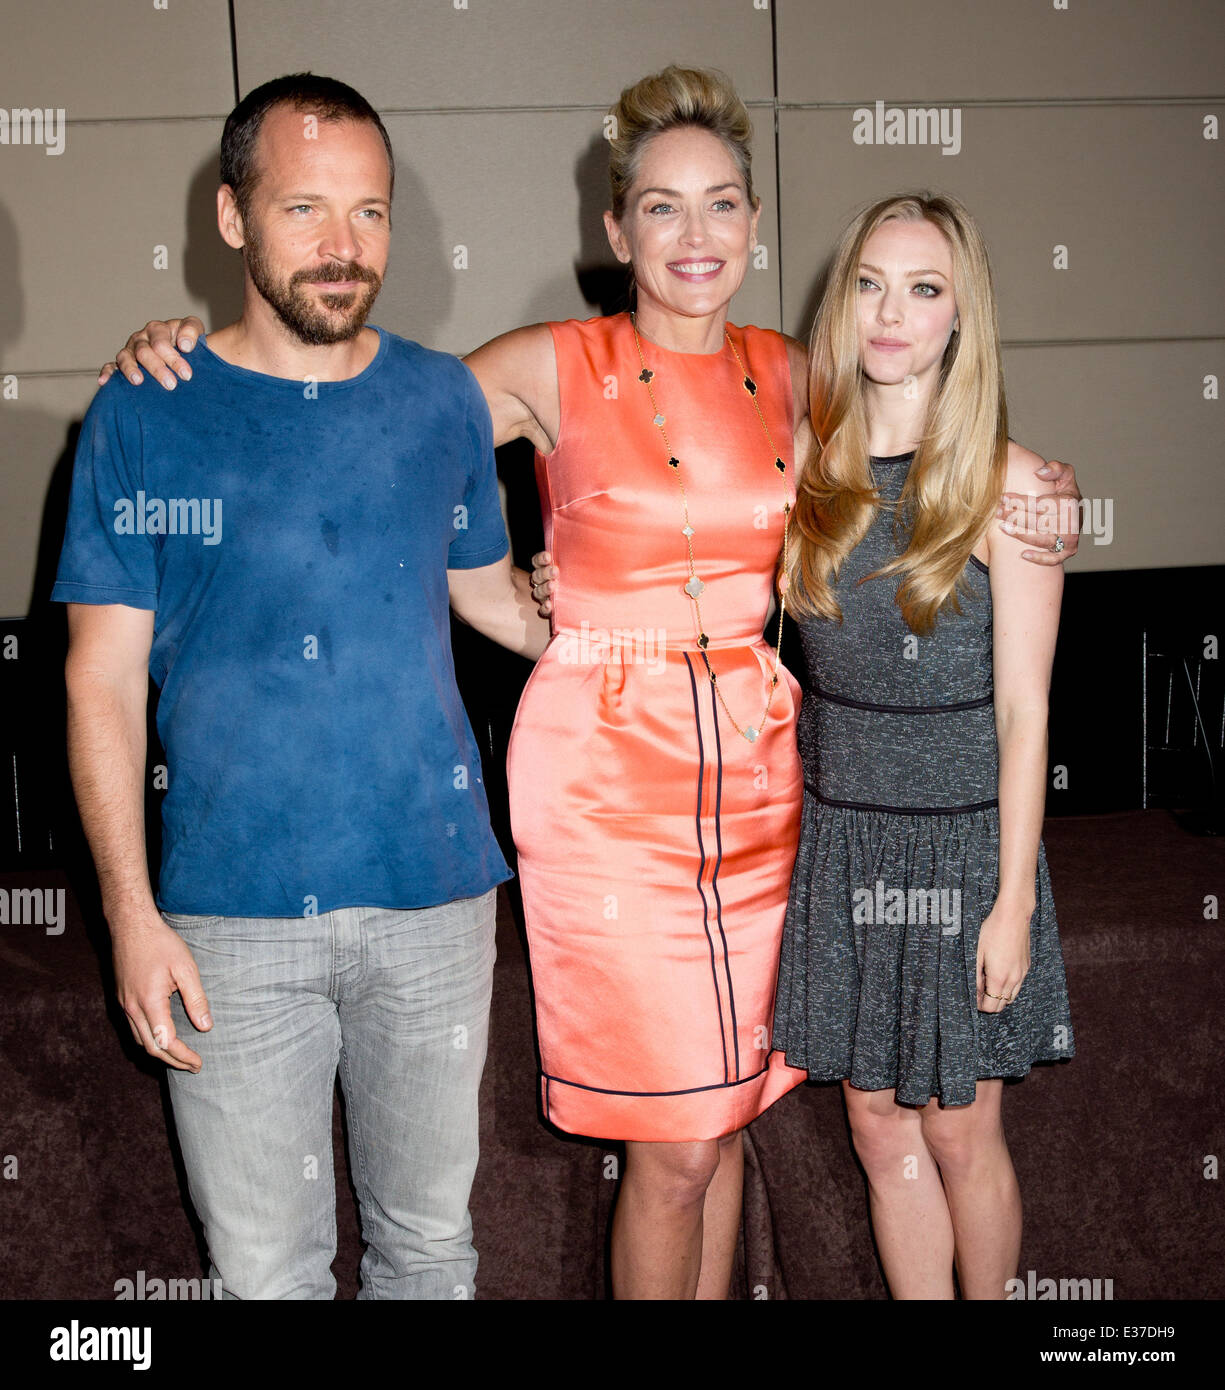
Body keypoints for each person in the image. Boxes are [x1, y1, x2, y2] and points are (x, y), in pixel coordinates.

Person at [104, 69, 1080, 1301]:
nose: (695, 236)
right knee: (670, 1138)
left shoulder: (796, 373)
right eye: (661, 209)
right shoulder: (550, 364)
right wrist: (187, 349)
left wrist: (1031, 483)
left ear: (753, 223)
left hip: (769, 781)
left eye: (720, 205)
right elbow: (366, 411)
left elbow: (924, 419)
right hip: (611, 787)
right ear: (616, 231)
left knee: (719, 1121)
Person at [57, 73, 549, 1301]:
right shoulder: (140, 410)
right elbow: (100, 680)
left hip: (437, 898)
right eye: (305, 211)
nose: (344, 250)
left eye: (371, 214)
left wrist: (639, 626)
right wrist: (129, 910)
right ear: (231, 218)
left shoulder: (441, 398)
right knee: (267, 1276)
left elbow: (492, 599)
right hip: (228, 916)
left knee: (430, 1253)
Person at [772, 192, 1075, 1298]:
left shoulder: (1016, 487)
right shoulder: (804, 458)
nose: (891, 313)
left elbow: (1024, 711)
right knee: (873, 1125)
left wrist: (1012, 903)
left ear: (962, 317)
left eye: (924, 288)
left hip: (960, 853)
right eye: (869, 284)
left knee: (957, 1132)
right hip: (843, 840)